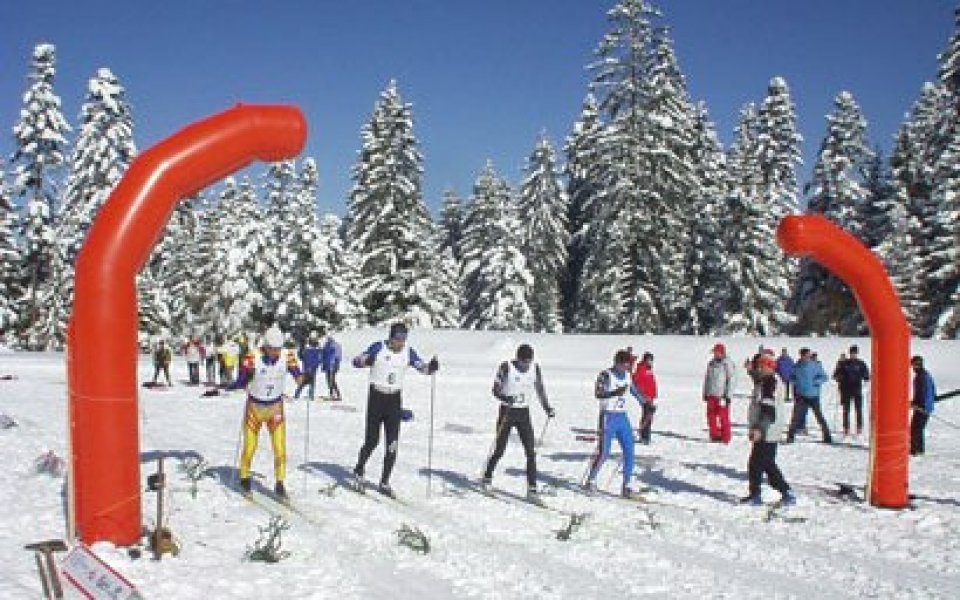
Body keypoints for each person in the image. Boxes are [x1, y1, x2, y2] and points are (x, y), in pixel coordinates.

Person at [351, 322, 438, 498]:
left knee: (392, 444)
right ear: (391, 337)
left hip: (394, 400)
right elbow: (356, 361)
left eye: (403, 339)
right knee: (372, 441)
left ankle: (384, 482)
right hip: (376, 397)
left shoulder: (408, 352)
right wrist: (365, 361)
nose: (400, 342)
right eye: (398, 338)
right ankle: (359, 470)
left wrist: (431, 367)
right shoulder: (379, 347)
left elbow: (422, 367)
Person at [232, 326, 304, 501]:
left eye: (279, 349)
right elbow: (240, 381)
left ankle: (280, 483)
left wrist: (303, 378)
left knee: (280, 449)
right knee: (250, 447)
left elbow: (298, 375)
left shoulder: (287, 355)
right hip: (254, 409)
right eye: (273, 349)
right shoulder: (252, 356)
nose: (276, 353)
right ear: (265, 346)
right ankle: (244, 477)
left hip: (275, 409)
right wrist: (245, 377)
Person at [481, 344, 556, 500]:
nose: (525, 365)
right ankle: (487, 477)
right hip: (507, 412)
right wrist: (504, 397)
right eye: (523, 362)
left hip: (523, 413)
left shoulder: (535, 368)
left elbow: (540, 389)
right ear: (517, 358)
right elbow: (495, 389)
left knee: (530, 452)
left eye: (528, 362)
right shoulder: (506, 366)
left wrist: (547, 408)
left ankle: (532, 489)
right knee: (499, 450)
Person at [584, 349, 650, 497]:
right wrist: (615, 393)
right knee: (604, 452)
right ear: (617, 362)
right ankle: (591, 480)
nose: (626, 367)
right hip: (608, 417)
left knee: (630, 451)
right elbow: (598, 393)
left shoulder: (627, 375)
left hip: (622, 417)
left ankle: (626, 485)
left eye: (628, 364)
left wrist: (646, 403)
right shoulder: (606, 375)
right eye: (624, 364)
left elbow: (635, 392)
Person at [740, 352, 795, 506]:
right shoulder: (767, 380)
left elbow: (768, 410)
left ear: (767, 367)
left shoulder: (769, 383)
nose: (758, 369)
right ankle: (786, 491)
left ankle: (755, 494)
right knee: (768, 463)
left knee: (756, 463)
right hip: (770, 430)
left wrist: (759, 429)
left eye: (760, 366)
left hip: (767, 430)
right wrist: (750, 371)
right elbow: (758, 381)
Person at [786, 348, 832, 444]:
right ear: (801, 356)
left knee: (819, 416)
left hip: (813, 395)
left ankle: (827, 436)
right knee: (795, 417)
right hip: (801, 396)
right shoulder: (797, 366)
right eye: (805, 356)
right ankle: (790, 437)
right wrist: (795, 382)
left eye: (808, 356)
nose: (806, 357)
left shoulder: (815, 365)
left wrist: (816, 382)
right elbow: (791, 377)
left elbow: (824, 377)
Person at [833, 345, 870, 436]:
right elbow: (836, 374)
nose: (853, 354)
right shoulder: (844, 363)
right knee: (846, 410)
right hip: (846, 390)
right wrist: (838, 377)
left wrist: (866, 377)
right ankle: (846, 427)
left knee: (859, 409)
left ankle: (859, 427)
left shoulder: (861, 363)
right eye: (852, 353)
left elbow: (866, 375)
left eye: (855, 353)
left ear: (857, 353)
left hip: (857, 389)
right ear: (850, 353)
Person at [703, 343, 736, 443]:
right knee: (711, 416)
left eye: (717, 353)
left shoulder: (727, 364)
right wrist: (705, 392)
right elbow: (707, 379)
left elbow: (731, 380)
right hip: (711, 394)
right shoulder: (711, 363)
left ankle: (726, 436)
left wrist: (728, 395)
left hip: (722, 395)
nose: (715, 355)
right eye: (714, 353)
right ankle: (714, 435)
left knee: (723, 416)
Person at [910, 355, 936, 456]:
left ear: (917, 365)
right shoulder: (926, 375)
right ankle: (920, 449)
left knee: (915, 428)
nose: (912, 368)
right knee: (919, 428)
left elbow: (921, 392)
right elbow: (933, 390)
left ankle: (915, 450)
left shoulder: (921, 377)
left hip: (923, 407)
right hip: (926, 406)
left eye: (913, 365)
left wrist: (917, 404)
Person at [632, 351, 657, 444]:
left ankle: (646, 436)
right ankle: (644, 436)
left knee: (649, 416)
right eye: (649, 360)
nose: (651, 362)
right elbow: (636, 382)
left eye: (652, 360)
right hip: (645, 397)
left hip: (651, 396)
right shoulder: (641, 368)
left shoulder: (649, 369)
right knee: (647, 416)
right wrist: (643, 395)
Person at [295, 331, 322, 400]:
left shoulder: (318, 348)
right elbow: (301, 356)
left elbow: (319, 359)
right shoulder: (306, 346)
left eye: (315, 338)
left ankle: (310, 395)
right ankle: (297, 395)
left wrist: (315, 365)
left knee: (311, 382)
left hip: (312, 368)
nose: (314, 339)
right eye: (313, 338)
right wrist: (301, 349)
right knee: (304, 382)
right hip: (307, 368)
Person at [321, 331, 343, 400]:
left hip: (333, 365)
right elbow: (323, 355)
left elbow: (337, 356)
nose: (328, 339)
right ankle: (331, 394)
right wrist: (323, 365)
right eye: (328, 338)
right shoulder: (326, 345)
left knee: (332, 380)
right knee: (328, 380)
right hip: (327, 365)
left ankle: (337, 394)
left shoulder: (335, 345)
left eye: (329, 338)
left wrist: (334, 364)